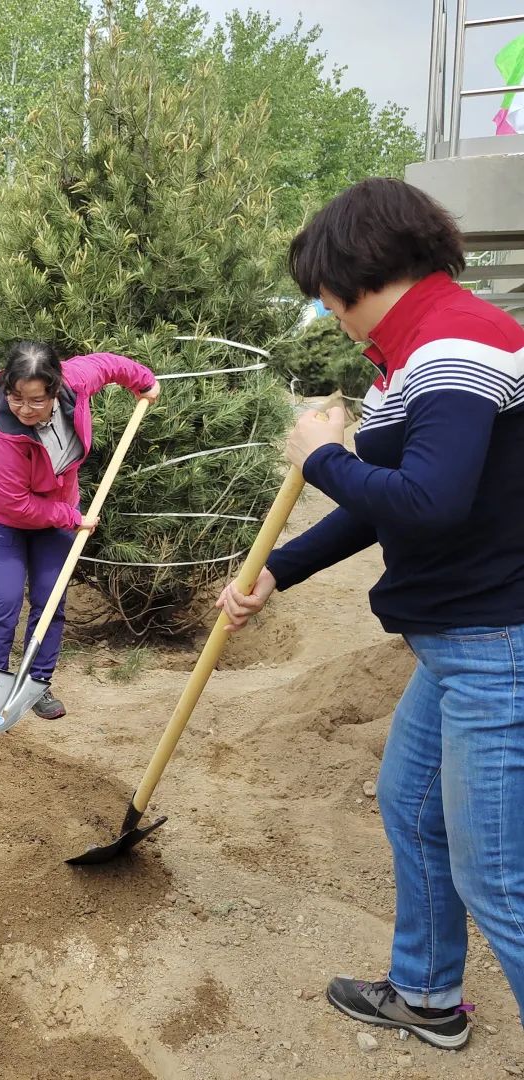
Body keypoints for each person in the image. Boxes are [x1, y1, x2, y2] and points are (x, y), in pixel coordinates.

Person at [216, 178, 524, 1049]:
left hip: (496, 641)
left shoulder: (453, 347)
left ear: (349, 276)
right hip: (461, 641)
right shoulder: (423, 344)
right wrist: (280, 567)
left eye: (323, 298)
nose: (331, 316)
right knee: (413, 807)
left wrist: (319, 457)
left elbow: (427, 503)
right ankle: (427, 993)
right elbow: (391, 502)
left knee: (499, 875)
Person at [0, 341, 158, 719]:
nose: (24, 409)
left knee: (50, 597)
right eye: (16, 398)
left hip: (54, 513)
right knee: (4, 598)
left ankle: (36, 682)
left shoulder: (76, 380)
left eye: (36, 400)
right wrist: (72, 518)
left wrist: (145, 382)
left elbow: (110, 365)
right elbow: (16, 503)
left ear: (56, 389)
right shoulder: (0, 435)